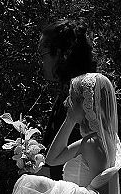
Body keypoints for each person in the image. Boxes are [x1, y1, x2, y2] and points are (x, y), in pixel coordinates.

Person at [38, 18, 97, 180]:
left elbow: (82, 160)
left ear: (57, 54)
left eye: (42, 56)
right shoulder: (69, 92)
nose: (42, 63)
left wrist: (43, 172)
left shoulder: (80, 98)